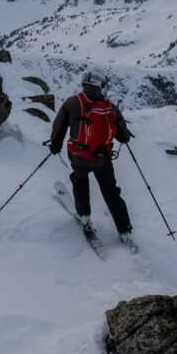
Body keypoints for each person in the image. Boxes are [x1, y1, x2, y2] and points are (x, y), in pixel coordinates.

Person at [49, 67, 133, 241]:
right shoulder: (111, 106)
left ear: (84, 81)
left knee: (80, 183)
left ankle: (84, 217)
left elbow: (58, 129)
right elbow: (124, 137)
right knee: (111, 192)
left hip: (79, 157)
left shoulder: (72, 102)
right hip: (103, 159)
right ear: (100, 83)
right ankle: (125, 230)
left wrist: (55, 146)